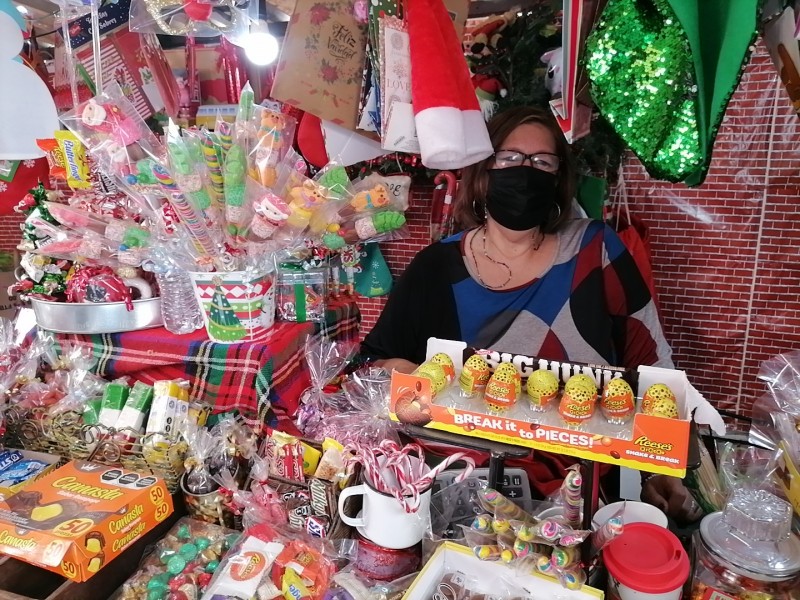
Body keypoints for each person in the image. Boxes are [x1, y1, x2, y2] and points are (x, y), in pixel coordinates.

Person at [361, 106, 702, 524]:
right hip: (463, 492)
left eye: (542, 162)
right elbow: (379, 363)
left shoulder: (595, 252)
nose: (525, 172)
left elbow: (651, 364)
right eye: (510, 158)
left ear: (558, 180)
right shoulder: (436, 268)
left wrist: (657, 467)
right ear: (483, 172)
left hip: (584, 493)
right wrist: (437, 401)